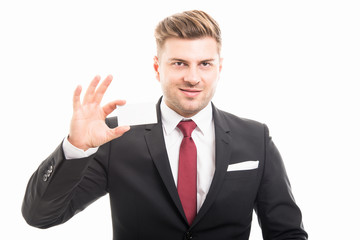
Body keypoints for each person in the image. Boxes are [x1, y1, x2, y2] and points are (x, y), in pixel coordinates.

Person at [22, 10, 308, 240]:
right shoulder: (116, 133)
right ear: (158, 67)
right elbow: (40, 217)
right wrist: (76, 148)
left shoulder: (255, 137)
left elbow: (286, 233)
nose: (193, 77)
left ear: (220, 67)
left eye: (205, 63)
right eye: (180, 64)